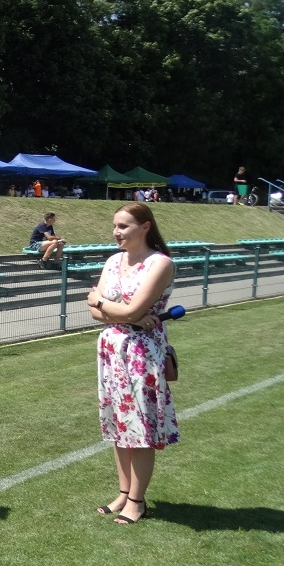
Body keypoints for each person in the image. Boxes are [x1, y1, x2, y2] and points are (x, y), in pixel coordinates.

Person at [87, 203, 177, 525]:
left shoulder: (160, 263)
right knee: (118, 424)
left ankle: (137, 502)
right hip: (112, 349)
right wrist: (126, 315)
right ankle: (124, 493)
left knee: (139, 427)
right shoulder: (113, 261)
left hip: (141, 354)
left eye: (123, 226)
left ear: (145, 227)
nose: (116, 232)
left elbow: (120, 309)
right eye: (115, 226)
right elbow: (96, 314)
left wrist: (101, 301)